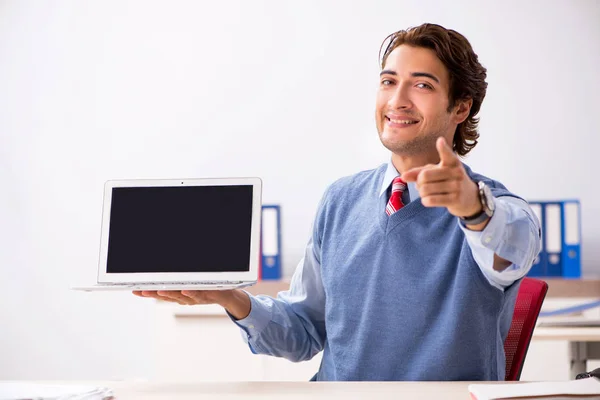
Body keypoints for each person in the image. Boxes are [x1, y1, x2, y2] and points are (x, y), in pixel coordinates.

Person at [134, 23, 541, 381]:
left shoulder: (494, 208)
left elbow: (511, 247)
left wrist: (474, 208)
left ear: (461, 106)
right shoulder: (340, 200)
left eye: (421, 85)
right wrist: (229, 297)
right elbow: (302, 334)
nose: (397, 100)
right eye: (388, 81)